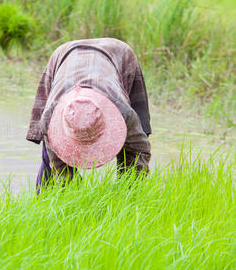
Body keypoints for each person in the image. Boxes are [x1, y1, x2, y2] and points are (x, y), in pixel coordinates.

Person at [26, 38, 152, 191]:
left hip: (118, 53)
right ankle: (43, 199)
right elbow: (59, 165)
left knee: (131, 146)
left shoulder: (122, 111)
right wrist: (73, 191)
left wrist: (129, 191)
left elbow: (140, 149)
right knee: (50, 155)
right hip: (65, 54)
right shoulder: (51, 116)